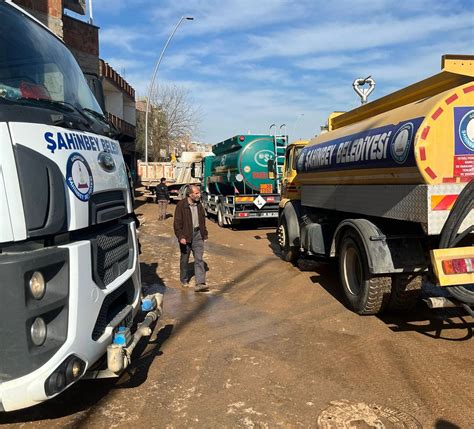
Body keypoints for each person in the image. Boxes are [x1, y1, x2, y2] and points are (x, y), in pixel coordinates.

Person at [173, 184, 208, 292]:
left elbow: (202, 220)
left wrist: (204, 234)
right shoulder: (181, 205)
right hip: (186, 235)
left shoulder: (199, 205)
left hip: (198, 235)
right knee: (185, 259)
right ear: (190, 194)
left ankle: (200, 283)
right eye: (196, 193)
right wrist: (180, 237)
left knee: (199, 258)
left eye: (199, 192)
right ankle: (184, 279)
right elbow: (177, 223)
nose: (199, 195)